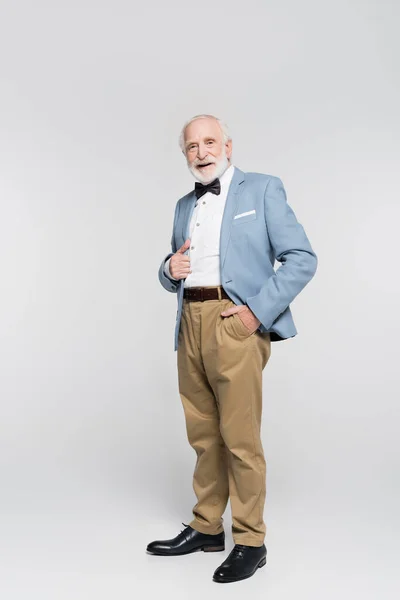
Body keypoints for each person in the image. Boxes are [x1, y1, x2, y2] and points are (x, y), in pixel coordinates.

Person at [146, 114, 318, 583]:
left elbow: (302, 258)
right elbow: (174, 269)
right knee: (203, 436)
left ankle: (250, 540)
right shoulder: (184, 204)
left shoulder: (261, 189)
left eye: (208, 142)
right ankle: (206, 527)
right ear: (184, 155)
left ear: (227, 145)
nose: (200, 152)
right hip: (190, 323)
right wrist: (169, 268)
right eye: (191, 146)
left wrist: (255, 314)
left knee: (239, 438)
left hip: (234, 323)